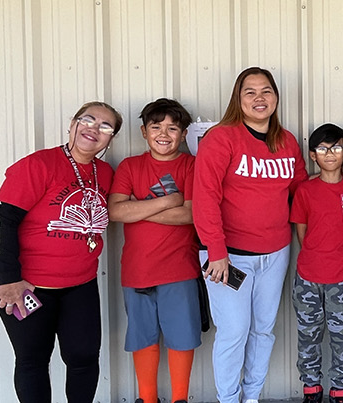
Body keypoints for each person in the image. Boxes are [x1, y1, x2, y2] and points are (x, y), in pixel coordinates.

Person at [194, 67, 308, 403]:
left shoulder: (286, 140)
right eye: (250, 92)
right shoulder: (222, 137)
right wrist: (216, 252)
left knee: (262, 330)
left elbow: (301, 191)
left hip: (275, 253)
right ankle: (229, 399)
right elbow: (204, 198)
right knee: (233, 332)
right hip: (228, 256)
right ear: (238, 98)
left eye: (266, 91)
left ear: (275, 97)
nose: (259, 98)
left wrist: (339, 171)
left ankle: (252, 396)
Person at [0, 101, 121, 403]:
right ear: (72, 123)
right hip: (26, 285)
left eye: (105, 126)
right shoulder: (39, 165)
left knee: (84, 357)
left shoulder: (104, 172)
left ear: (111, 138)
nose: (94, 129)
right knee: (33, 360)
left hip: (80, 283)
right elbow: (1, 218)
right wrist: (9, 279)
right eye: (87, 120)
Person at [109, 98, 200, 403]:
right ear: (143, 132)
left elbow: (191, 214)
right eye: (156, 126)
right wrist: (167, 201)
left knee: (181, 337)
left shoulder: (191, 165)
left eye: (173, 128)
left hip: (180, 268)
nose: (164, 133)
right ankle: (148, 399)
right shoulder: (130, 166)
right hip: (138, 269)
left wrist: (138, 207)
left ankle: (179, 399)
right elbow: (116, 212)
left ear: (184, 134)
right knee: (142, 337)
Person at [290, 124, 343, 403]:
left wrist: (340, 255)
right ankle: (311, 387)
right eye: (322, 148)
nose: (329, 153)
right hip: (308, 276)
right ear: (312, 155)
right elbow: (301, 233)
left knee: (342, 335)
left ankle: (340, 388)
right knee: (309, 334)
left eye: (336, 147)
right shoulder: (305, 190)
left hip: (342, 276)